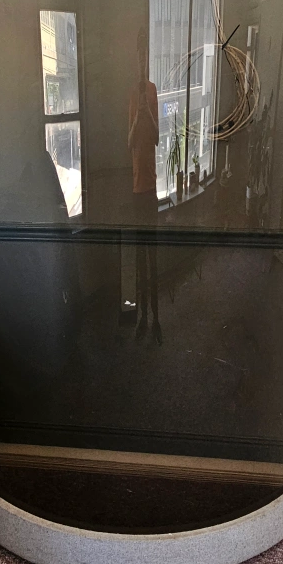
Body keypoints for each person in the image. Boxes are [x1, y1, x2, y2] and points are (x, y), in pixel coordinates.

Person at [128, 29, 162, 344]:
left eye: (146, 55)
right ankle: (140, 318)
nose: (142, 60)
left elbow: (157, 138)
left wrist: (147, 112)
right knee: (139, 259)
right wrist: (137, 116)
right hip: (136, 191)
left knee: (153, 258)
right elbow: (129, 142)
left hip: (150, 189)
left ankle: (156, 318)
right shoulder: (132, 92)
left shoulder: (152, 90)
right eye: (139, 55)